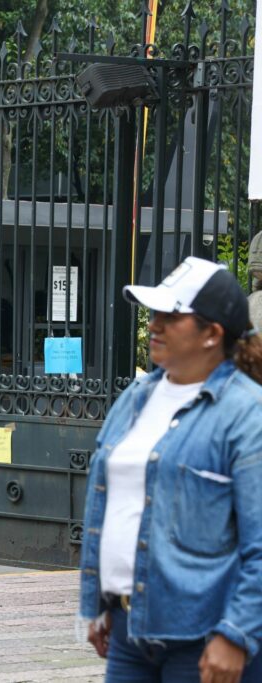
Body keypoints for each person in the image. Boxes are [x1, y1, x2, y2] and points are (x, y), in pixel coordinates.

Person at [79, 256, 262, 683]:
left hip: (206, 637)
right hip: (129, 631)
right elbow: (110, 504)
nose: (154, 324)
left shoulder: (247, 414)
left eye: (170, 315)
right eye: (154, 313)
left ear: (211, 334)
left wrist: (236, 635)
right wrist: (100, 602)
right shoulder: (135, 398)